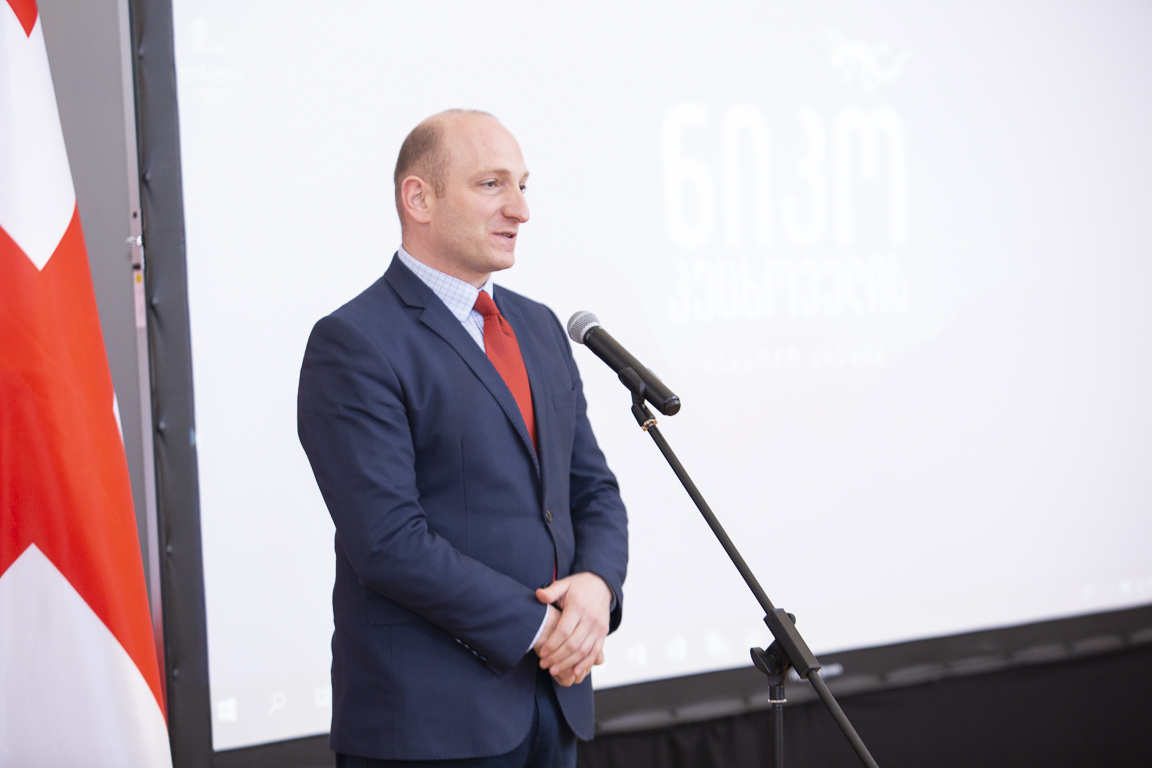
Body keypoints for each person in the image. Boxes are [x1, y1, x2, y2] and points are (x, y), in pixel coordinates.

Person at [297, 109, 628, 768]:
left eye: (523, 186)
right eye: (492, 184)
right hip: (430, 725)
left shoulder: (538, 327)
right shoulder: (354, 342)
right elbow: (388, 542)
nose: (520, 210)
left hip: (552, 706)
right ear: (419, 198)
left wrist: (597, 587)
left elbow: (591, 490)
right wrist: (543, 627)